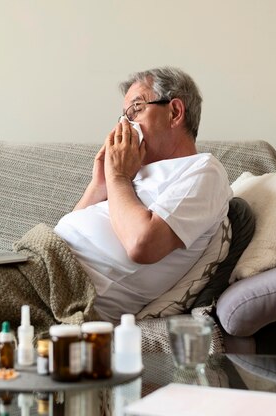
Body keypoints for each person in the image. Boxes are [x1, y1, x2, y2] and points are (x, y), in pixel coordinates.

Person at [54, 67, 233, 323]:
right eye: (123, 117)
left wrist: (118, 178)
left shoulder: (204, 170)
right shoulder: (131, 173)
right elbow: (63, 233)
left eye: (136, 110)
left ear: (174, 112)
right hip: (44, 259)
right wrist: (99, 185)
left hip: (70, 292)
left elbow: (143, 245)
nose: (125, 125)